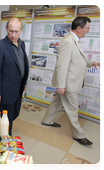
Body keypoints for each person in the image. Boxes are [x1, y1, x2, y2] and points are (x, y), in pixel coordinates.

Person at [41, 16, 102, 145]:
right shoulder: (68, 41)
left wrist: (91, 63)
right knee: (73, 109)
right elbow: (62, 65)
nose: (88, 31)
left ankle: (46, 120)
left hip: (69, 82)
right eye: (87, 28)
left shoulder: (75, 40)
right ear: (79, 28)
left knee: (57, 102)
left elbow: (77, 59)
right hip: (68, 84)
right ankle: (78, 135)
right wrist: (61, 85)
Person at [0, 18, 29, 136]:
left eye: (16, 31)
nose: (13, 35)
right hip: (6, 89)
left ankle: (4, 131)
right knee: (7, 117)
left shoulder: (22, 44)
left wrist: (24, 82)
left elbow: (22, 64)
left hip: (18, 86)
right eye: (10, 31)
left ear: (21, 30)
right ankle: (6, 140)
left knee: (15, 113)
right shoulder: (0, 46)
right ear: (6, 29)